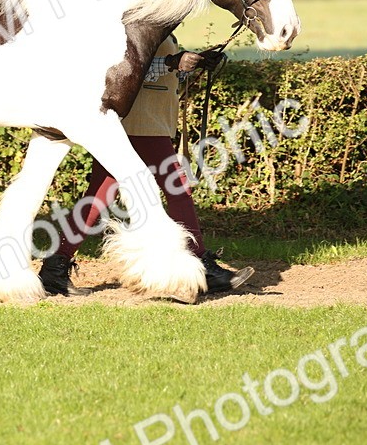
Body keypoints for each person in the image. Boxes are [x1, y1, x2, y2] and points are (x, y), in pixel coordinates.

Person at [38, 35, 253, 298]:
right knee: (177, 190)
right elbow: (127, 70)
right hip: (140, 124)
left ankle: (55, 267)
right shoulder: (130, 24)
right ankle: (201, 263)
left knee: (99, 195)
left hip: (147, 122)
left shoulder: (160, 22)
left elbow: (163, 76)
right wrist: (173, 62)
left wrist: (191, 65)